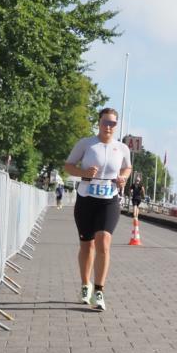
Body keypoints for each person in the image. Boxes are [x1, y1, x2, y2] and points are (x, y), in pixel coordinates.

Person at [63, 108, 132, 311]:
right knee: (87, 245)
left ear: (116, 126)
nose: (108, 127)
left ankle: (99, 291)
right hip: (86, 199)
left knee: (104, 241)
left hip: (109, 200)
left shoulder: (122, 148)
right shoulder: (86, 144)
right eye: (105, 122)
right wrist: (83, 172)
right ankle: (86, 285)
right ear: (99, 122)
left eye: (112, 123)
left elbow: (127, 167)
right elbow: (68, 166)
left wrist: (123, 177)